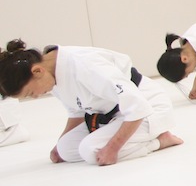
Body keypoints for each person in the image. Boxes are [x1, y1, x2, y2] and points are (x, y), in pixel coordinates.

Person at [0, 38, 182, 165]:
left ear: (37, 71)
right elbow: (77, 112)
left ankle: (160, 140)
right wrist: (58, 146)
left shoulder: (85, 65)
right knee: (65, 149)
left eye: (31, 93)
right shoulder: (51, 74)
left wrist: (113, 148)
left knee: (90, 150)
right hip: (114, 114)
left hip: (148, 107)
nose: (35, 97)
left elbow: (137, 106)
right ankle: (136, 139)